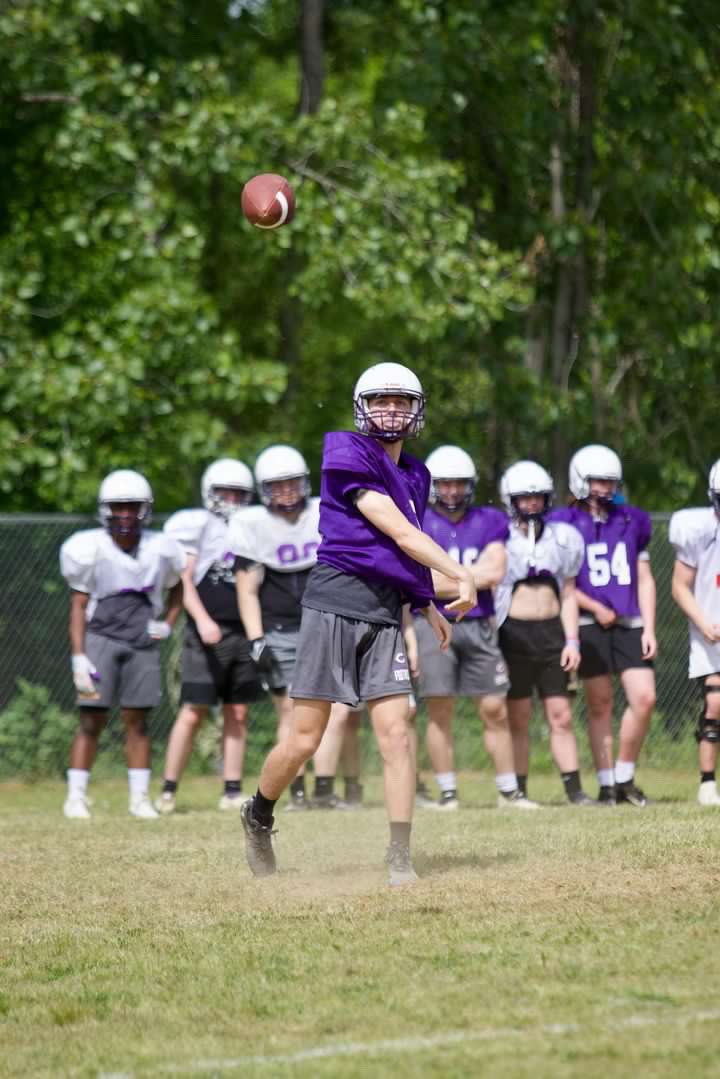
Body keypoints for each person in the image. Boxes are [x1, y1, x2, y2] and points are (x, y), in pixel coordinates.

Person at [239, 361, 477, 885]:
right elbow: (402, 535)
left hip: (384, 611)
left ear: (418, 410)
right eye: (380, 400)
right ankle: (258, 813)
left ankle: (399, 854)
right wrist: (459, 572)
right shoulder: (345, 451)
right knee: (305, 738)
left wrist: (425, 603)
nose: (391, 410)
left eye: (402, 401)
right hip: (334, 602)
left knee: (397, 731)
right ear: (361, 407)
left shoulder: (417, 472)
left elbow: (401, 557)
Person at [416, 444, 538, 811]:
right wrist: (468, 579)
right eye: (446, 484)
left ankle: (508, 791)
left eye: (459, 483)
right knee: (440, 709)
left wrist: (443, 577)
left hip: (479, 624)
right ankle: (448, 792)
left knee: (494, 707)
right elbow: (421, 582)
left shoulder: (489, 520)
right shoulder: (418, 520)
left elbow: (495, 573)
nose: (452, 491)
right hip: (433, 622)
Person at [59, 469, 186, 820]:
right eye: (119, 507)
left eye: (132, 506)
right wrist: (78, 657)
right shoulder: (89, 548)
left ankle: (139, 798)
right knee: (91, 719)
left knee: (138, 720)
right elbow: (79, 606)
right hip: (101, 638)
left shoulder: (160, 548)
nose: (126, 515)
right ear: (106, 510)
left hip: (142, 642)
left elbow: (178, 586)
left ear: (144, 509)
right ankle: (75, 796)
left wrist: (168, 623)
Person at [231, 444, 351, 811]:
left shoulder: (322, 512)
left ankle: (326, 790)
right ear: (264, 489)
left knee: (339, 709)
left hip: (326, 621)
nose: (285, 491)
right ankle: (296, 791)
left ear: (305, 483)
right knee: (290, 711)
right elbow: (247, 589)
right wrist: (256, 640)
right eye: (277, 485)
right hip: (280, 628)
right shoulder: (251, 524)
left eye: (292, 483)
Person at [550, 445, 657, 806]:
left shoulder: (632, 520)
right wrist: (595, 607)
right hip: (586, 620)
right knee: (600, 703)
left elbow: (644, 578)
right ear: (581, 479)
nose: (605, 489)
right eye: (598, 481)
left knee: (644, 698)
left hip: (629, 620)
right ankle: (608, 783)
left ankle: (625, 776)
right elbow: (562, 584)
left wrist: (650, 628)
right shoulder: (562, 522)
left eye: (610, 482)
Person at [155, 458, 263, 814]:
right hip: (207, 632)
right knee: (193, 710)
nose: (231, 499)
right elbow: (184, 579)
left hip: (242, 631)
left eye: (238, 492)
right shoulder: (198, 526)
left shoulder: (254, 526)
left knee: (238, 712)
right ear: (210, 492)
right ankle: (168, 789)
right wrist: (201, 620)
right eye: (225, 492)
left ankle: (232, 789)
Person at [495, 461, 596, 806]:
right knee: (518, 716)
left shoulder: (563, 538)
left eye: (539, 498)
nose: (533, 504)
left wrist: (572, 640)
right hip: (513, 633)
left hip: (552, 633)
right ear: (511, 499)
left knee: (562, 715)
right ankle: (518, 790)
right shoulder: (501, 538)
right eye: (526, 498)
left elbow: (568, 593)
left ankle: (575, 791)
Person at [669, 460, 720, 806]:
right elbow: (679, 585)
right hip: (711, 629)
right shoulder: (698, 530)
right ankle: (706, 783)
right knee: (716, 700)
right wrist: (703, 623)